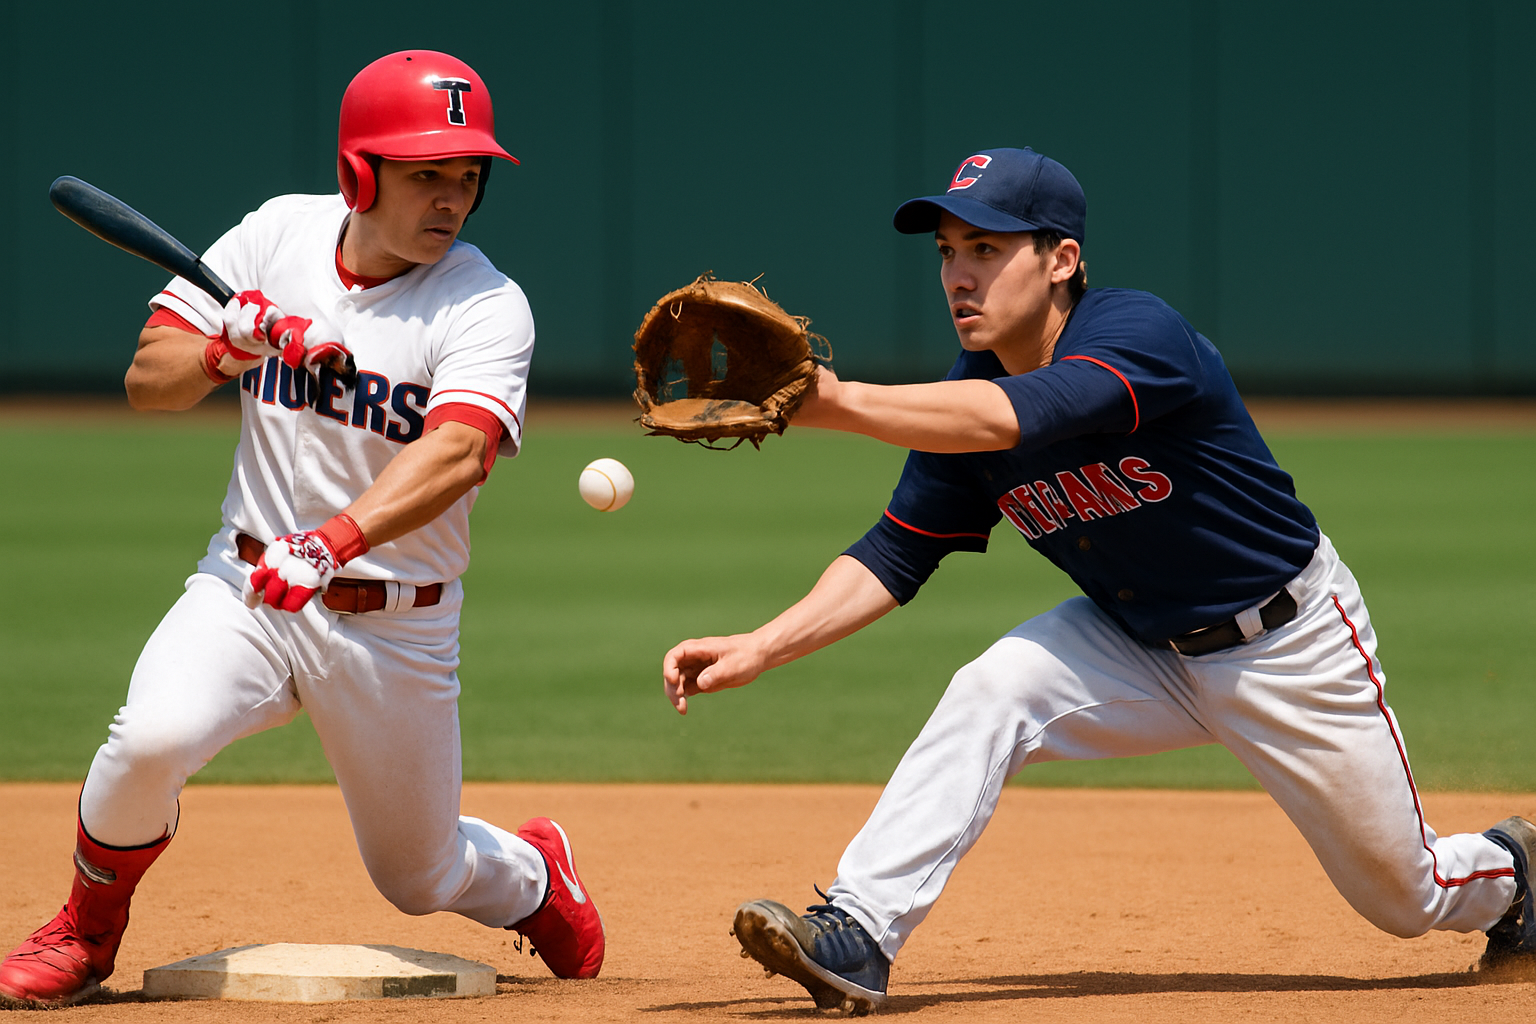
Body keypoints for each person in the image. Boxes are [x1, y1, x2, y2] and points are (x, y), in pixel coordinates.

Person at [661, 146, 1535, 1015]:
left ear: (1063, 261)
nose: (959, 276)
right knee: (995, 687)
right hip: (1133, 642)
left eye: (986, 249)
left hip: (1285, 642)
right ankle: (859, 928)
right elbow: (895, 553)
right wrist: (761, 645)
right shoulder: (964, 403)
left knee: (1406, 899)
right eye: (947, 253)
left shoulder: (1138, 334)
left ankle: (1519, 870)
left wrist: (836, 401)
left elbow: (1027, 414)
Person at [0, 50, 603, 1007]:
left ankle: (533, 875)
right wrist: (224, 349)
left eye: (466, 177)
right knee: (148, 737)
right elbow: (147, 382)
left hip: (394, 620)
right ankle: (83, 930)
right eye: (425, 174)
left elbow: (458, 452)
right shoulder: (276, 235)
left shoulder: (484, 302)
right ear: (360, 173)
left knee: (419, 879)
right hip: (245, 587)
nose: (451, 199)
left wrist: (332, 542)